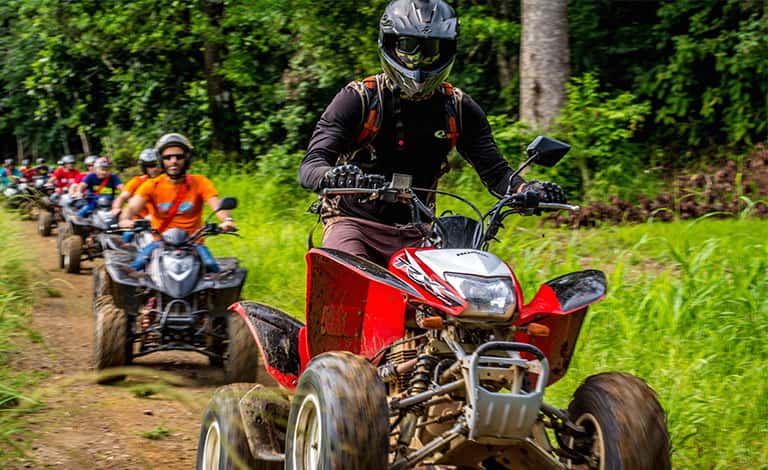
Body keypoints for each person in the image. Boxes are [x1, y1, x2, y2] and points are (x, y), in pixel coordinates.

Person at [298, 0, 565, 266]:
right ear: (389, 44)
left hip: (420, 231)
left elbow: (496, 173)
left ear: (447, 50)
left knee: (463, 291)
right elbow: (310, 166)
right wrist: (333, 175)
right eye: (408, 47)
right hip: (354, 225)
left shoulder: (460, 108)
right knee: (347, 276)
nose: (419, 60)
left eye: (431, 50)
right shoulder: (359, 99)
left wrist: (528, 189)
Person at [118, 133, 236, 272]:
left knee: (212, 268)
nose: (173, 161)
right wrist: (125, 219)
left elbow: (217, 205)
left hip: (193, 243)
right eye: (168, 157)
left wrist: (227, 220)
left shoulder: (200, 182)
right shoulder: (151, 185)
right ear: (161, 161)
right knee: (137, 267)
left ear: (187, 159)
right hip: (160, 242)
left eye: (179, 157)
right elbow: (132, 206)